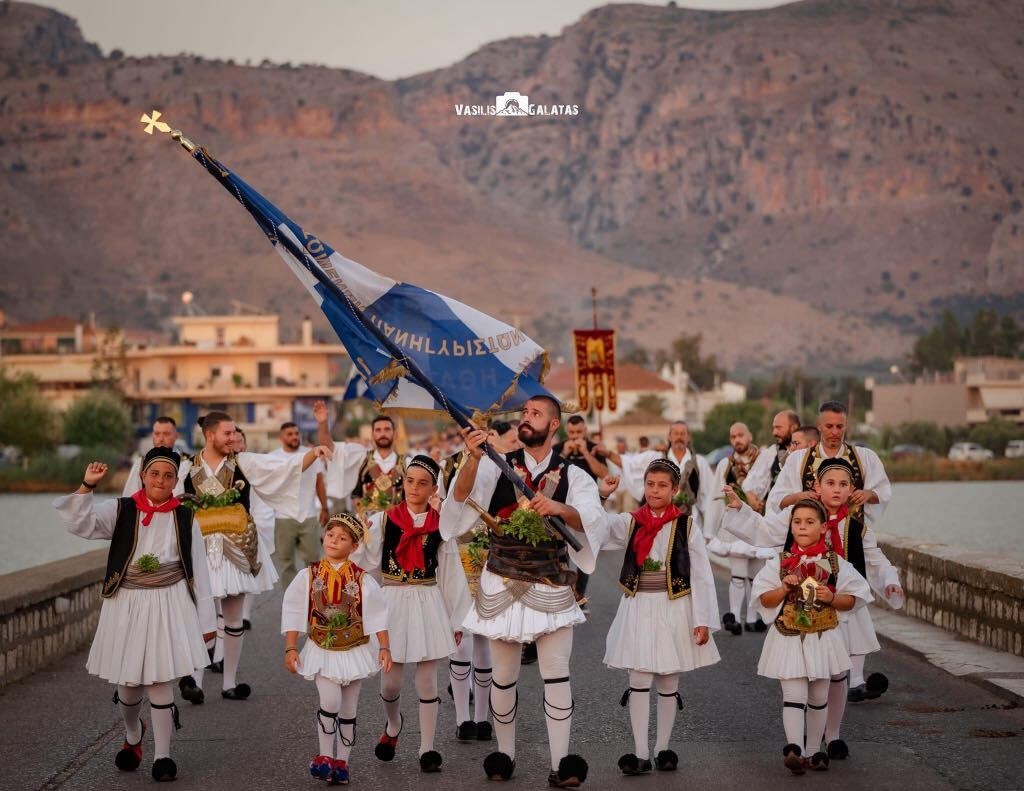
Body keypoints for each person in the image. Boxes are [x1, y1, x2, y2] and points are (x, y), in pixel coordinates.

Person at [442, 396, 606, 788]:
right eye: (524, 413)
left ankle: (561, 763)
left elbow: (592, 519)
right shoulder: (498, 465)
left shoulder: (574, 476)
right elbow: (461, 499)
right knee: (503, 676)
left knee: (556, 675)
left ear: (554, 426)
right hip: (502, 579)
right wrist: (472, 457)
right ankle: (505, 754)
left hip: (550, 580)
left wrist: (558, 508)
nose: (525, 418)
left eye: (535, 414)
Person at [723, 457, 903, 759]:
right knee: (810, 672)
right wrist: (739, 508)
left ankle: (831, 736)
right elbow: (764, 531)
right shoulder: (799, 516)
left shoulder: (857, 527)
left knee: (836, 673)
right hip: (800, 608)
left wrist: (889, 580)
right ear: (817, 486)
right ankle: (806, 739)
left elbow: (875, 559)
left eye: (843, 484)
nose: (836, 490)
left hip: (842, 609)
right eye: (830, 483)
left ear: (851, 489)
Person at [54, 449, 216, 782]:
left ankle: (163, 756)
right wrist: (87, 485)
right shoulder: (121, 509)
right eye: (155, 473)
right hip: (126, 601)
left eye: (168, 475)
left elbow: (200, 570)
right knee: (128, 688)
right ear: (142, 475)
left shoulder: (185, 517)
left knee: (159, 682)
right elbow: (80, 523)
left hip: (169, 602)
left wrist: (207, 622)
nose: (161, 480)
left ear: (175, 480)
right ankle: (132, 732)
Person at [178, 411, 332, 704]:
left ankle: (229, 683)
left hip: (236, 545)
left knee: (233, 617)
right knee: (201, 614)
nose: (234, 438)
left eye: (235, 433)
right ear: (210, 435)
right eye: (228, 433)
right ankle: (194, 680)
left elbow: (283, 468)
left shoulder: (243, 462)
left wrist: (313, 452)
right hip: (200, 547)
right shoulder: (187, 468)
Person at [599, 460, 720, 775]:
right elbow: (597, 530)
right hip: (639, 604)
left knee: (668, 677)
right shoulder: (631, 521)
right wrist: (601, 497)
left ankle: (663, 748)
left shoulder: (686, 525)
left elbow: (703, 575)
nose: (654, 490)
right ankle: (639, 752)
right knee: (639, 676)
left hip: (674, 605)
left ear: (675, 490)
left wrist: (702, 619)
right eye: (650, 484)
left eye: (662, 485)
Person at [353, 455, 471, 774]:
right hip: (392, 601)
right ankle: (393, 724)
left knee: (427, 680)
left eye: (422, 483)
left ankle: (427, 747)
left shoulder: (440, 526)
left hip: (428, 600)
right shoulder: (384, 520)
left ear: (434, 487)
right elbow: (365, 563)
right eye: (409, 481)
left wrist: (456, 620)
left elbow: (450, 572)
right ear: (402, 483)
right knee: (390, 684)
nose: (414, 488)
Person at [749, 498, 872, 775]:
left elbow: (857, 598)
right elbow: (763, 599)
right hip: (788, 634)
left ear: (823, 526)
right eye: (797, 522)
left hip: (824, 636)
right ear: (790, 527)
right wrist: (782, 589)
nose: (802, 527)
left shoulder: (836, 564)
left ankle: (815, 750)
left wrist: (832, 597)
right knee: (793, 693)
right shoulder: (779, 563)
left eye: (809, 522)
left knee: (818, 694)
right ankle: (795, 748)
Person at [282, 512, 392, 786]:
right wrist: (291, 647)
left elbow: (377, 613)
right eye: (331, 535)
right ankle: (324, 757)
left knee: (349, 709)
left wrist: (385, 647)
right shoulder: (308, 575)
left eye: (343, 538)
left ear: (354, 547)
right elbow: (294, 609)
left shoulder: (363, 580)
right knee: (330, 702)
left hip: (354, 648)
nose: (334, 540)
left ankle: (342, 762)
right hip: (322, 648)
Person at [766, 402, 891, 524]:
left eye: (839, 426)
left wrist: (869, 494)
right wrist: (798, 497)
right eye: (829, 426)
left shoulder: (865, 457)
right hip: (811, 540)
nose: (835, 432)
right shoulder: (798, 459)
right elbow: (777, 500)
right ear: (819, 425)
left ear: (845, 426)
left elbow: (883, 492)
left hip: (853, 539)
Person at [703, 422, 770, 635]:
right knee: (738, 573)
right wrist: (709, 529)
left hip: (760, 523)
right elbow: (715, 496)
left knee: (756, 575)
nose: (737, 440)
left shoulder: (764, 460)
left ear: (749, 436)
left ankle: (752, 617)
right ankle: (733, 616)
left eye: (740, 435)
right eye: (733, 436)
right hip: (734, 526)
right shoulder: (725, 464)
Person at [271, 407, 330, 591]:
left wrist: (325, 508)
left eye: (296, 433)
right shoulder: (273, 458)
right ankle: (291, 597)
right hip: (283, 517)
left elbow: (319, 482)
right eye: (289, 434)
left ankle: (314, 597)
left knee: (313, 560)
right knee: (286, 562)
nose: (294, 436)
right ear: (282, 438)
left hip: (308, 516)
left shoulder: (311, 454)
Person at [322, 414, 407, 518]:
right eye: (378, 430)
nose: (383, 433)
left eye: (387, 429)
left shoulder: (407, 463)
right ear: (372, 434)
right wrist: (322, 423)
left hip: (398, 524)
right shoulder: (361, 457)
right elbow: (331, 448)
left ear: (395, 433)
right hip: (367, 523)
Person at [741, 410, 799, 512]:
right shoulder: (770, 453)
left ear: (793, 427)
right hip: (775, 518)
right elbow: (751, 481)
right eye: (773, 428)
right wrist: (750, 495)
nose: (774, 432)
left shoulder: (808, 451)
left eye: (778, 427)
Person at [122, 417, 179, 497]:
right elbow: (130, 497)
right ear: (152, 435)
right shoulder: (141, 463)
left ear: (176, 436)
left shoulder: (188, 463)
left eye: (166, 434)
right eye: (157, 434)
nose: (161, 439)